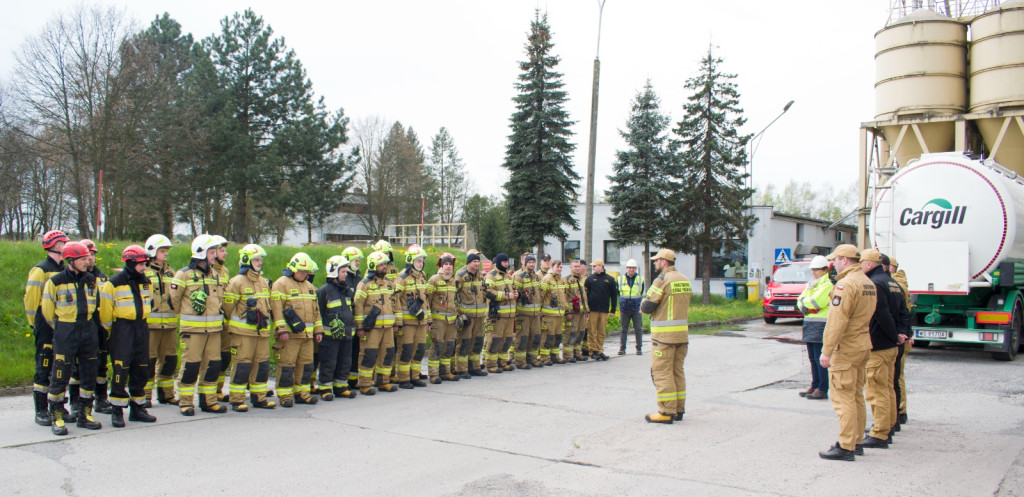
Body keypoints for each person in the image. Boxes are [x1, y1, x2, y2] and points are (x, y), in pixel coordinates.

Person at [817, 244, 875, 461]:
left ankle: (846, 445)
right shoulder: (867, 282)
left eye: (835, 260)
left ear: (843, 260)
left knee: (843, 398)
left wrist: (827, 350)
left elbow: (837, 321)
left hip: (846, 348)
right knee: (856, 395)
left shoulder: (845, 285)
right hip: (862, 345)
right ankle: (857, 440)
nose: (833, 264)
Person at [41, 241, 104, 435]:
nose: (88, 261)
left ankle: (85, 414)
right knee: (61, 373)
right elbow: (48, 310)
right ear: (71, 260)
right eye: (83, 259)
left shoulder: (92, 279)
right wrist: (60, 326)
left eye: (88, 258)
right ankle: (57, 416)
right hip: (66, 329)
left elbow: (98, 305)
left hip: (88, 328)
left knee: (89, 372)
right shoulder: (56, 281)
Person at [170, 234, 229, 416]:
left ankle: (208, 401)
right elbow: (174, 301)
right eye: (211, 251)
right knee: (190, 366)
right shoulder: (184, 275)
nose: (214, 255)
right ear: (201, 252)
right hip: (193, 332)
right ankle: (186, 402)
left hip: (213, 332)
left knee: (212, 366)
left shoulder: (215, 275)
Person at [98, 245, 157, 427]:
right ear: (130, 263)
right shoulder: (113, 283)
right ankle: (117, 409)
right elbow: (106, 313)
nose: (144, 267)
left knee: (141, 368)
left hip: (141, 327)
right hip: (122, 329)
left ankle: (138, 408)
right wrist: (110, 332)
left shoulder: (146, 282)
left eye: (145, 264)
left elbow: (150, 303)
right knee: (120, 370)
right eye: (140, 264)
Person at [859, 249, 907, 449]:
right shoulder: (893, 282)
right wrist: (902, 333)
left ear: (869, 264)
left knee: (877, 390)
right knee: (888, 388)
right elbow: (904, 312)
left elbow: (882, 315)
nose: (860, 266)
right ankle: (887, 427)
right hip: (890, 345)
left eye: (861, 263)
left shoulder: (875, 284)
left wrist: (894, 334)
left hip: (879, 344)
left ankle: (880, 433)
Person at [221, 244, 277, 411]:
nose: (260, 263)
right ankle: (237, 399)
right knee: (242, 365)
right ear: (246, 260)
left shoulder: (264, 282)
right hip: (242, 334)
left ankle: (259, 398)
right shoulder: (236, 282)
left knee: (262, 365)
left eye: (260, 259)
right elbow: (228, 309)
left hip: (262, 333)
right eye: (256, 260)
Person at [639, 249, 690, 424]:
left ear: (664, 262)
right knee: (677, 372)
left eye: (656, 260)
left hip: (664, 338)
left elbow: (647, 306)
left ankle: (666, 411)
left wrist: (643, 304)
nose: (654, 264)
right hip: (682, 336)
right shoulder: (684, 279)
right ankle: (678, 409)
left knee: (662, 373)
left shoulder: (662, 279)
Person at [25, 229, 68, 426]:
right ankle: (40, 409)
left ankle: (57, 406)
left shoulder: (65, 269)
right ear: (55, 246)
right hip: (44, 323)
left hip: (61, 323)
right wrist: (36, 324)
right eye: (63, 242)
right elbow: (32, 300)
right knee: (44, 366)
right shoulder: (40, 270)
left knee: (60, 367)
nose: (66, 245)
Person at [271, 253, 324, 406]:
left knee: (306, 366)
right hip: (289, 336)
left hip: (307, 336)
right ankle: (285, 395)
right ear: (293, 269)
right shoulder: (281, 284)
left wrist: (318, 330)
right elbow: (277, 309)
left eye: (306, 272)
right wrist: (281, 330)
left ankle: (302, 393)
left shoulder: (309, 287)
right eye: (301, 271)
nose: (304, 274)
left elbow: (316, 311)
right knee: (287, 366)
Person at [67, 239, 110, 421]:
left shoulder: (102, 278)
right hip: (81, 326)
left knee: (101, 365)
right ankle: (76, 403)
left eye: (92, 255)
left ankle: (101, 399)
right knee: (77, 369)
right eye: (87, 255)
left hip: (99, 327)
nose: (90, 259)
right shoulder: (76, 278)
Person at [354, 251, 404, 394]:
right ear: (372, 265)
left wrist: (397, 322)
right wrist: (360, 327)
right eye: (381, 264)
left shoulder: (390, 284)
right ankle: (364, 384)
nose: (384, 267)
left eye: (384, 264)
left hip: (388, 328)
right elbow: (358, 306)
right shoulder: (364, 284)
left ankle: (383, 382)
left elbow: (396, 304)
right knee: (368, 355)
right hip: (372, 329)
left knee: (387, 355)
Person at [316, 255, 359, 401]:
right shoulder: (324, 291)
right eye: (343, 272)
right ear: (333, 272)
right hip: (330, 336)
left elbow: (351, 310)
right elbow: (319, 313)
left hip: (346, 334)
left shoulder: (347, 291)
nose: (346, 275)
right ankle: (325, 388)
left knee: (345, 361)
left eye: (346, 272)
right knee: (329, 362)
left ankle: (341, 387)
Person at [143, 234, 179, 406]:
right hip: (150, 326)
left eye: (166, 251)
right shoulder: (143, 272)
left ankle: (166, 394)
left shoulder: (172, 273)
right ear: (152, 252)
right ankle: (145, 396)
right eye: (162, 251)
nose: (165, 254)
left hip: (170, 325)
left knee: (170, 361)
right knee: (148, 362)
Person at [796, 255, 832, 400]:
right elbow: (800, 301)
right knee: (812, 358)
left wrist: (807, 304)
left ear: (825, 269)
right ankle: (815, 384)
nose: (814, 272)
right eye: (813, 270)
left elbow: (817, 301)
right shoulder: (812, 284)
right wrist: (807, 305)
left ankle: (822, 388)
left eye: (817, 270)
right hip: (810, 323)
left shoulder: (827, 285)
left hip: (820, 324)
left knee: (819, 359)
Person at [395, 245, 431, 389]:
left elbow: (426, 301)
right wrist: (398, 321)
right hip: (407, 323)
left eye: (422, 261)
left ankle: (415, 376)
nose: (420, 263)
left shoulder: (422, 278)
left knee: (419, 350)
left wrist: (428, 320)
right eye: (418, 261)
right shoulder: (402, 278)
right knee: (406, 350)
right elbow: (395, 300)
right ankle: (403, 379)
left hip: (421, 323)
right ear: (410, 261)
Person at [426, 253, 459, 383]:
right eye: (445, 264)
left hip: (451, 321)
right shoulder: (433, 280)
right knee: (437, 346)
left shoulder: (454, 280)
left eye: (450, 264)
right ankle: (433, 375)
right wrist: (428, 320)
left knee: (449, 346)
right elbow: (426, 301)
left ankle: (445, 372)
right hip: (438, 320)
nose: (448, 267)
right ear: (441, 265)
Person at [483, 253, 518, 373]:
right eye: (503, 262)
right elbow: (488, 292)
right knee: (494, 340)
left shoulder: (508, 276)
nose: (506, 264)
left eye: (507, 262)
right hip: (497, 315)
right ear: (498, 262)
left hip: (509, 315)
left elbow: (513, 289)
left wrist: (516, 293)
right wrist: (506, 295)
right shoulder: (491, 276)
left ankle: (502, 363)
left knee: (507, 340)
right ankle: (491, 364)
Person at [454, 251, 488, 377]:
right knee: (464, 342)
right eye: (474, 261)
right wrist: (458, 312)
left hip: (479, 316)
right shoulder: (460, 275)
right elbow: (454, 293)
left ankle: (474, 367)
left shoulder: (480, 276)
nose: (476, 264)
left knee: (477, 342)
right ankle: (462, 369)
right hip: (466, 316)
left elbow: (484, 292)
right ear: (468, 263)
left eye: (478, 261)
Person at [888, 256, 912, 425]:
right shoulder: (899, 283)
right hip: (902, 335)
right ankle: (900, 410)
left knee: (897, 376)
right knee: (897, 375)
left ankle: (900, 410)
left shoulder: (896, 286)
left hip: (898, 337)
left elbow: (901, 312)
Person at [512, 254, 542, 369]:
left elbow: (538, 294)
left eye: (533, 262)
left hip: (535, 314)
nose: (532, 264)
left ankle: (532, 359)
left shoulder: (536, 276)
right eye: (529, 262)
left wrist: (539, 309)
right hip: (523, 314)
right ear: (525, 263)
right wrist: (521, 296)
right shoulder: (519, 276)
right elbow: (515, 294)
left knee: (535, 337)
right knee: (522, 338)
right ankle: (520, 361)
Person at [584, 259, 618, 360]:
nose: (593, 268)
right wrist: (586, 309)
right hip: (592, 309)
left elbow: (614, 295)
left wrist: (613, 309)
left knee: (601, 332)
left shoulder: (610, 280)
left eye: (595, 266)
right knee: (591, 330)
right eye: (592, 266)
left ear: (601, 266)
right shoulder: (590, 279)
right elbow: (585, 294)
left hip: (604, 310)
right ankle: (593, 351)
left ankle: (599, 350)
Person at [342, 246, 364, 389]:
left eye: (358, 260)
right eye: (355, 260)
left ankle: (353, 379)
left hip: (357, 321)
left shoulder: (359, 278)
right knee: (345, 353)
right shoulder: (343, 279)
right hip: (345, 322)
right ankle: (341, 380)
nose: (357, 263)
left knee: (356, 351)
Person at [538, 260, 567, 365]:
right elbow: (540, 295)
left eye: (561, 267)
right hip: (549, 314)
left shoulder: (562, 280)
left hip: (559, 314)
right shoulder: (547, 279)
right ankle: (545, 357)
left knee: (558, 336)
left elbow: (564, 296)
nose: (559, 269)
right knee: (547, 336)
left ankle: (555, 356)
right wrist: (539, 310)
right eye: (557, 267)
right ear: (552, 267)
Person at [617, 259, 646, 355]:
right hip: (624, 308)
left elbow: (640, 292)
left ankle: (639, 348)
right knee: (623, 329)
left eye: (633, 268)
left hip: (636, 308)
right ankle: (622, 349)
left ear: (636, 269)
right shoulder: (620, 279)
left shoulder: (640, 279)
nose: (631, 269)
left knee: (638, 329)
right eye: (630, 267)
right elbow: (618, 292)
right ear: (626, 268)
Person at [564, 259, 590, 362]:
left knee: (580, 334)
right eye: (575, 266)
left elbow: (584, 297)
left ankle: (577, 353)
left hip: (582, 312)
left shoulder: (581, 280)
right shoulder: (567, 280)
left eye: (579, 266)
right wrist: (567, 312)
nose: (577, 268)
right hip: (572, 313)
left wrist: (586, 310)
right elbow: (564, 297)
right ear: (570, 267)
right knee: (571, 334)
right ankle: (568, 355)